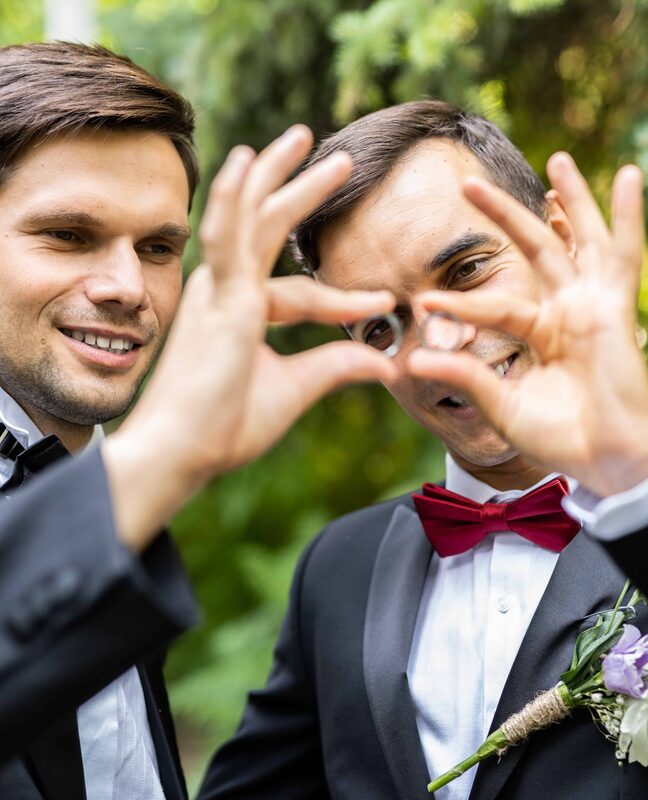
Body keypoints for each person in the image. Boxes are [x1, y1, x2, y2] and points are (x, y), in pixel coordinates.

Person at [198, 101, 648, 799]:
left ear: (560, 238)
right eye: (382, 325)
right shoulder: (337, 573)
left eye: (466, 271)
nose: (439, 346)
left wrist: (642, 474)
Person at [0, 41, 396, 797]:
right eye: (69, 236)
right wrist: (162, 455)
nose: (127, 286)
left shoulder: (110, 498)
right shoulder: (134, 483)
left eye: (157, 247)